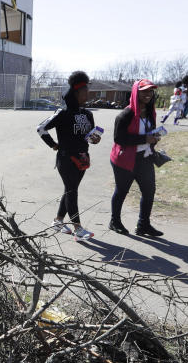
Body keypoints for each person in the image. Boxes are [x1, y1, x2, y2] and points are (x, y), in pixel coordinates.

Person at [37, 71, 101, 241]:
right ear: (75, 93)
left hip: (83, 158)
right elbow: (41, 128)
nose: (87, 94)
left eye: (88, 91)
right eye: (84, 91)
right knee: (72, 191)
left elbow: (88, 135)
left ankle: (58, 221)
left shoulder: (88, 114)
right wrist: (53, 144)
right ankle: (78, 229)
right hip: (66, 159)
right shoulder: (63, 113)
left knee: (70, 190)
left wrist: (95, 139)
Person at [109, 79, 164, 237]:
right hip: (124, 159)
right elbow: (118, 138)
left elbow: (148, 134)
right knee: (121, 191)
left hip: (144, 158)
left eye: (150, 91)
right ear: (136, 92)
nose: (148, 94)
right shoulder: (125, 114)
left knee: (149, 191)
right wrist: (144, 139)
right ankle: (114, 221)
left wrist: (154, 139)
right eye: (144, 91)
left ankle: (143, 225)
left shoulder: (151, 112)